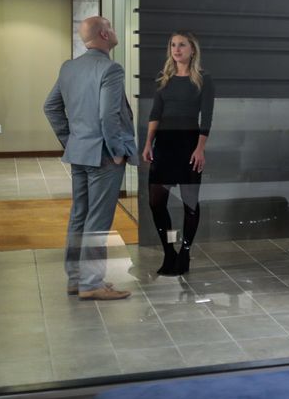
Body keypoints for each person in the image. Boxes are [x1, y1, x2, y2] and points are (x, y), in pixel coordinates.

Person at [43, 16, 137, 301]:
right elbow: (108, 116)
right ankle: (92, 284)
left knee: (79, 216)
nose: (115, 31)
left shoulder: (69, 67)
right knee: (98, 220)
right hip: (105, 157)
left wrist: (70, 140)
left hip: (80, 153)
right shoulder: (111, 69)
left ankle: (76, 279)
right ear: (105, 34)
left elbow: (50, 107)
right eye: (112, 27)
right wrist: (117, 151)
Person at [141, 32, 214, 277]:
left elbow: (207, 117)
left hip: (189, 144)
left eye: (182, 45)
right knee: (156, 201)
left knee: (190, 202)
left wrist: (200, 148)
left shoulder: (203, 79)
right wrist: (148, 143)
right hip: (164, 144)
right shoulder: (164, 79)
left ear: (192, 49)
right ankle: (168, 252)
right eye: (173, 45)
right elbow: (155, 113)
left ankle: (185, 252)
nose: (176, 49)